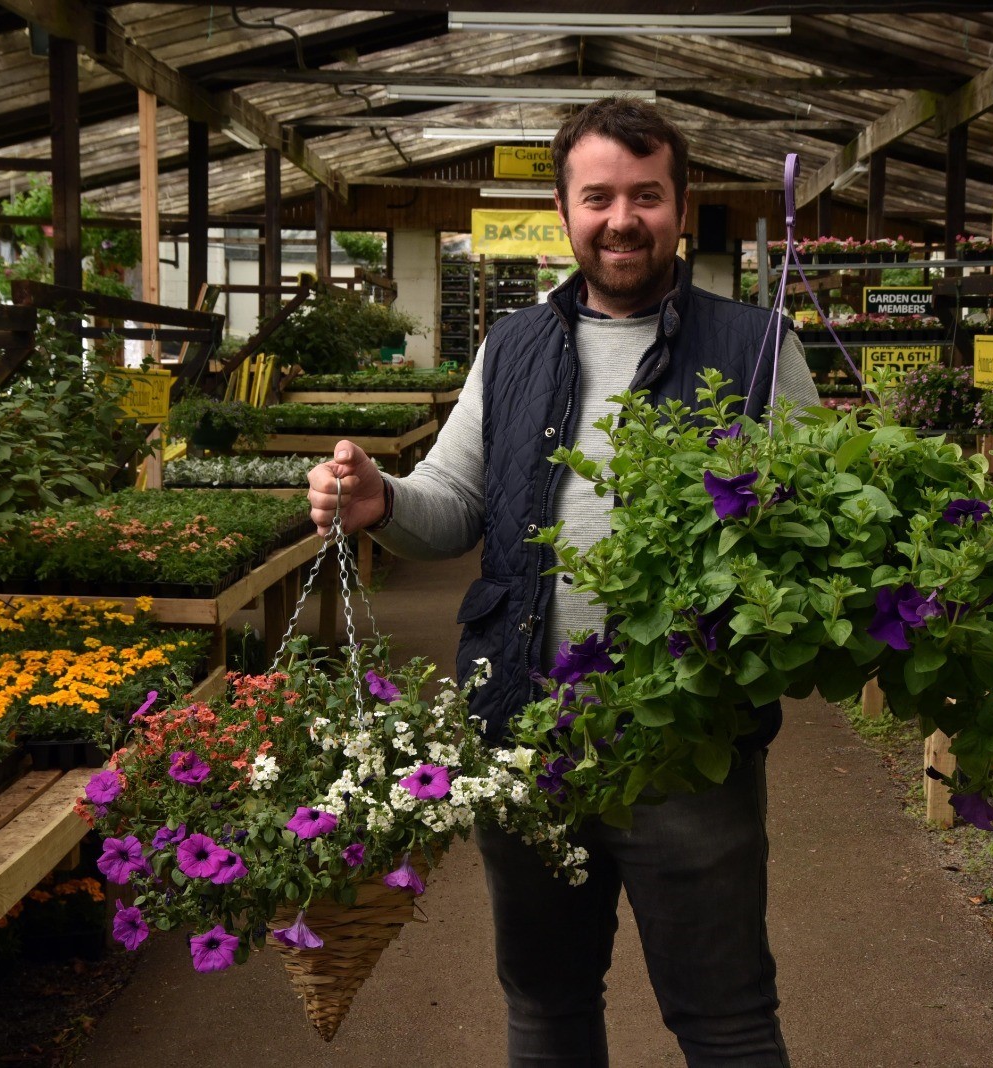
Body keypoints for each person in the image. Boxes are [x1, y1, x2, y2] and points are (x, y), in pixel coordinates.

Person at [308, 97, 817, 1067]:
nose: (621, 219)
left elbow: (813, 523)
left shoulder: (758, 345)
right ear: (563, 209)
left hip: (689, 749)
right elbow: (453, 502)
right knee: (545, 1006)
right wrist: (380, 501)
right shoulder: (512, 348)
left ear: (681, 205)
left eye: (646, 195)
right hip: (527, 736)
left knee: (726, 1019)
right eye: (598, 197)